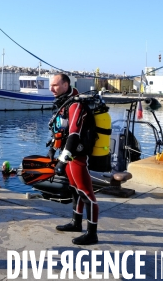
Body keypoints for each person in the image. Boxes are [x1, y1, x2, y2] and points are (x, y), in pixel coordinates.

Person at [48, 73, 99, 245]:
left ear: (65, 85)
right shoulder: (64, 103)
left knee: (86, 193)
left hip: (77, 155)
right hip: (67, 154)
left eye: (55, 85)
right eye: (50, 85)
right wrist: (53, 149)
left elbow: (74, 134)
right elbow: (60, 129)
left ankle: (92, 234)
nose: (51, 89)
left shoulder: (76, 104)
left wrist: (63, 161)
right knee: (74, 190)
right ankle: (76, 223)